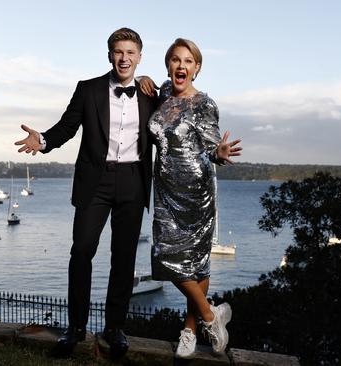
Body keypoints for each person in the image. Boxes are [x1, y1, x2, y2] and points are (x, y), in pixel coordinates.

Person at [14, 27, 158, 357]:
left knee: (124, 258)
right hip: (96, 181)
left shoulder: (151, 94)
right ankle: (76, 327)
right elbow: (67, 126)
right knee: (81, 252)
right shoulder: (88, 89)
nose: (124, 58)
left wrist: (211, 154)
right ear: (109, 55)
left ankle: (115, 327)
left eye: (130, 53)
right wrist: (45, 141)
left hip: (134, 180)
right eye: (118, 52)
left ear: (139, 57)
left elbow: (171, 131)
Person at [148, 38, 242, 359]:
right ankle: (211, 316)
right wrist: (143, 80)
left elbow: (214, 144)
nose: (181, 66)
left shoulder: (204, 104)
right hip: (165, 192)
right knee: (164, 256)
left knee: (195, 264)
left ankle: (190, 329)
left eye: (188, 61)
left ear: (197, 68)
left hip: (196, 194)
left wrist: (220, 152)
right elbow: (148, 87)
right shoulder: (162, 93)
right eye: (175, 60)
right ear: (168, 65)